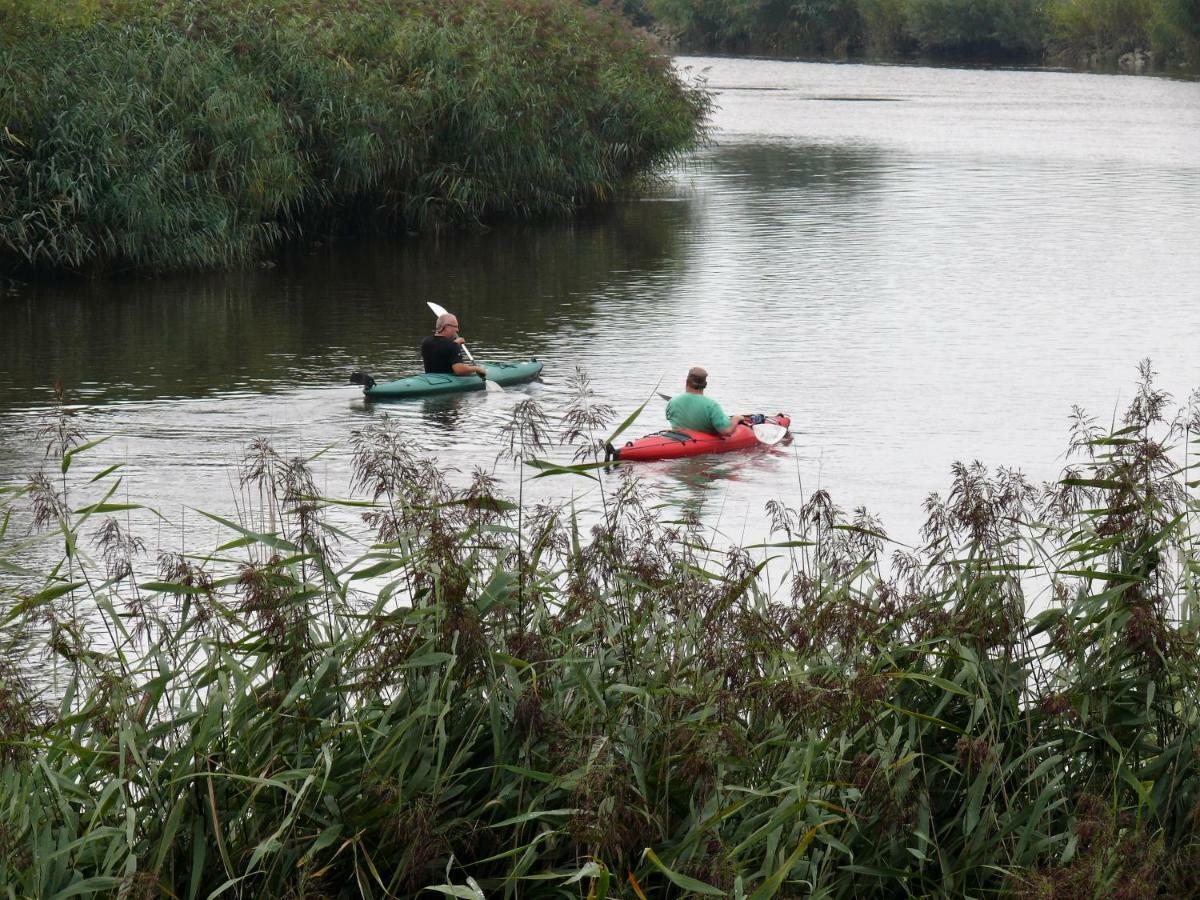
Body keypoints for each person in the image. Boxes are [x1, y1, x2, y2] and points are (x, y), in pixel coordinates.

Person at [665, 366, 747, 435]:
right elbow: (726, 431)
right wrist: (736, 418)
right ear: (705, 385)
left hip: (680, 438)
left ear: (686, 382)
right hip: (702, 441)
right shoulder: (712, 405)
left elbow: (669, 418)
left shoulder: (672, 401)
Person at [421, 313, 487, 377]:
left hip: (430, 378)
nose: (457, 330)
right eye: (455, 326)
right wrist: (477, 368)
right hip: (447, 381)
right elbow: (459, 370)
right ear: (446, 327)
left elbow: (441, 346)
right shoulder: (452, 345)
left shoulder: (426, 341)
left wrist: (455, 343)